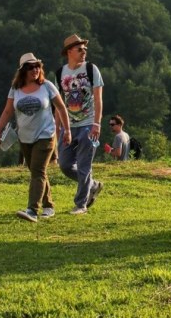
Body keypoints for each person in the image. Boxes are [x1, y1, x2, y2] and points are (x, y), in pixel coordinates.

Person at [0, 52, 71, 223]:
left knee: (37, 171)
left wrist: (67, 130)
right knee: (37, 171)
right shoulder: (15, 89)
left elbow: (61, 108)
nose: (35, 70)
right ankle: (49, 206)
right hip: (25, 137)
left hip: (46, 135)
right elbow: (7, 111)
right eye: (30, 67)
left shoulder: (47, 86)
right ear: (23, 71)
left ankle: (32, 210)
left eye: (37, 66)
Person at [53, 33, 105, 215]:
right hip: (68, 127)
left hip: (88, 125)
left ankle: (80, 204)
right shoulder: (60, 73)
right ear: (69, 52)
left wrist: (97, 124)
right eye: (80, 49)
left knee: (84, 166)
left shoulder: (91, 69)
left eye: (85, 49)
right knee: (65, 165)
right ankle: (93, 185)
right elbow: (59, 105)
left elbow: (98, 99)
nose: (84, 52)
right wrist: (57, 127)